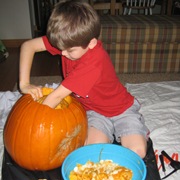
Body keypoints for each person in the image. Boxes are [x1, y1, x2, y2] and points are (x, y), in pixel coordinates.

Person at [19, 0, 149, 158]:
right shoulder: (69, 42)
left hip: (121, 109)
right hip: (93, 111)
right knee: (93, 154)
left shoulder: (94, 62)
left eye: (70, 50)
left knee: (138, 152)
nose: (63, 54)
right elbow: (28, 46)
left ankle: (136, 127)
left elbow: (57, 96)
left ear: (92, 43)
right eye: (61, 49)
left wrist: (36, 125)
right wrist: (24, 84)